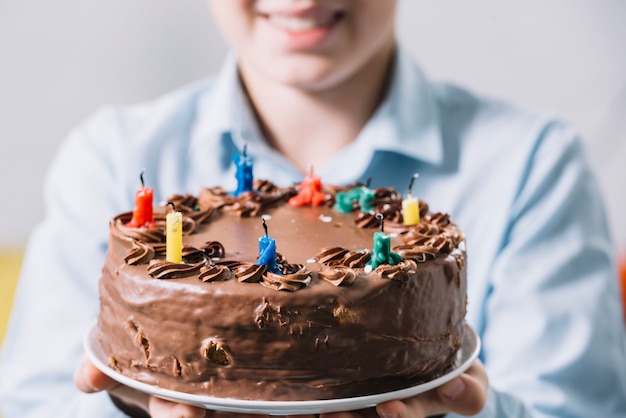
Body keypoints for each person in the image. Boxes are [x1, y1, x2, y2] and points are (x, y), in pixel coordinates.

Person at [1, 1, 625, 417]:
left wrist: (470, 410)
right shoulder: (110, 154)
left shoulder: (532, 166)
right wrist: (128, 404)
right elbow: (35, 401)